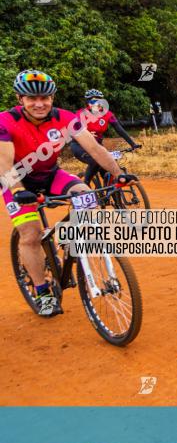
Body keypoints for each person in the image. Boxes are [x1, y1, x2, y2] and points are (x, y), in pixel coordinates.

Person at [0, 70, 135, 316]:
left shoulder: (66, 117)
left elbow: (94, 148)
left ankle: (73, 242)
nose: (39, 104)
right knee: (30, 235)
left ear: (52, 98)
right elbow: (5, 163)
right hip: (15, 182)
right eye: (32, 99)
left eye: (45, 98)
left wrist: (118, 174)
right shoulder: (5, 121)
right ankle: (43, 292)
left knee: (87, 197)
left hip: (50, 174)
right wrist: (19, 191)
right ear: (21, 99)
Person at [71, 89, 141, 186]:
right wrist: (86, 133)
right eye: (92, 101)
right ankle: (85, 185)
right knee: (95, 161)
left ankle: (110, 193)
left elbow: (119, 129)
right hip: (79, 145)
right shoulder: (81, 114)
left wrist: (133, 144)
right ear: (88, 103)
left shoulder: (107, 114)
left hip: (96, 145)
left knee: (109, 166)